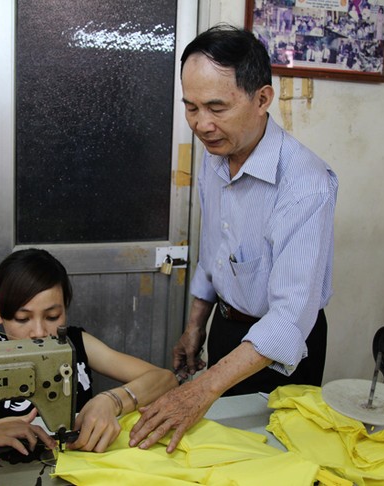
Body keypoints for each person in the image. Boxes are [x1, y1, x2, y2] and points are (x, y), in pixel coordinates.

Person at [129, 25, 338, 453]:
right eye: (191, 107)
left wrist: (199, 389)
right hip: (226, 330)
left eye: (216, 107)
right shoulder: (217, 156)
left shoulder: (305, 184)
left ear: (262, 99)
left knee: (268, 460)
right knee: (210, 455)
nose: (202, 125)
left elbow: (288, 320)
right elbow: (216, 252)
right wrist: (195, 327)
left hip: (281, 352)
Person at [0, 248, 178, 455]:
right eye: (23, 319)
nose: (39, 332)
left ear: (65, 309)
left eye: (52, 317)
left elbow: (165, 379)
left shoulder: (75, 343)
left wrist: (111, 401)